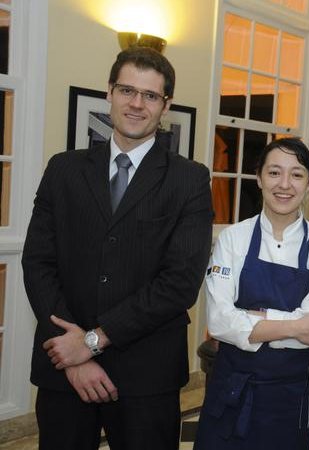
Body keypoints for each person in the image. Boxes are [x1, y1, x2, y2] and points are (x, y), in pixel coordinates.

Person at [21, 47, 214, 449]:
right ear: (109, 92)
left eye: (150, 95)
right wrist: (74, 355)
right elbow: (38, 262)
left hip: (146, 374)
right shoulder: (63, 169)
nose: (137, 104)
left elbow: (179, 283)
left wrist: (91, 341)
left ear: (166, 105)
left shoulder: (189, 180)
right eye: (127, 90)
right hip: (64, 370)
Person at [194, 138, 309, 449]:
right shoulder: (233, 238)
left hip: (288, 398)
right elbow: (219, 322)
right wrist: (293, 326)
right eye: (274, 173)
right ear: (258, 178)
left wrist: (253, 319)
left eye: (297, 174)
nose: (284, 184)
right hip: (231, 391)